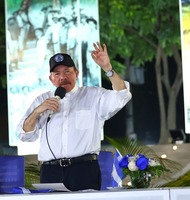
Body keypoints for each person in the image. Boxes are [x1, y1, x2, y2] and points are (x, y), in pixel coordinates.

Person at [17, 44, 131, 191]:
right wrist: (37, 111)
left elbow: (122, 95)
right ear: (51, 79)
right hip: (51, 171)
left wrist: (108, 68)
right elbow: (24, 134)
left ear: (76, 73)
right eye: (57, 74)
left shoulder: (93, 95)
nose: (62, 77)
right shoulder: (42, 100)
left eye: (67, 71)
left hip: (84, 170)